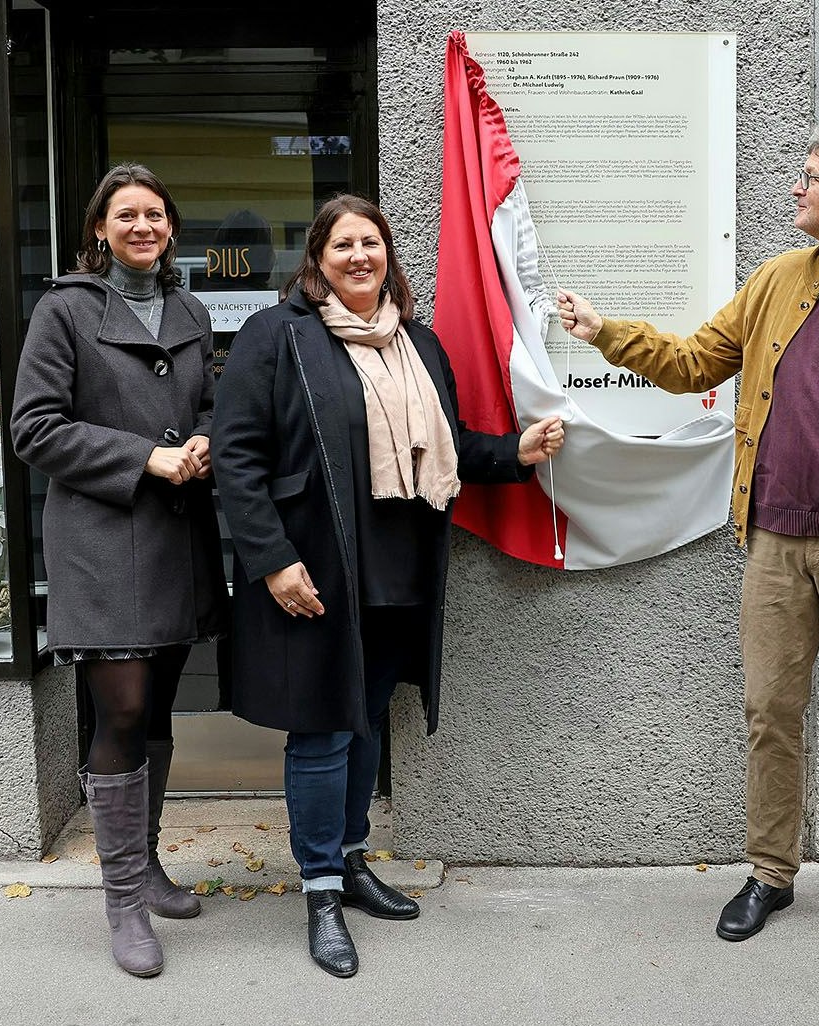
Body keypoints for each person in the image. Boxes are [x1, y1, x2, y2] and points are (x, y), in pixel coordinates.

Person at [557, 125, 819, 961]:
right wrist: (607, 331)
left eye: (808, 179)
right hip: (773, 539)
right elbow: (692, 362)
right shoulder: (777, 280)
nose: (795, 190)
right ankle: (769, 872)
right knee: (768, 714)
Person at [211, 194, 564, 979]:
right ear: (317, 258)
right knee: (321, 726)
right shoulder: (279, 336)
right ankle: (321, 892)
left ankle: (350, 859)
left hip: (398, 565)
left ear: (387, 253)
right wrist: (271, 559)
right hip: (317, 566)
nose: (359, 256)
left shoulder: (419, 343)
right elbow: (236, 456)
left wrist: (517, 452)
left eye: (371, 242)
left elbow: (450, 443)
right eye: (343, 245)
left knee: (366, 719)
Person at [11, 163, 229, 978]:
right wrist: (147, 457)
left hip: (176, 538)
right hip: (102, 540)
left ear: (170, 228)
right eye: (125, 215)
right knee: (124, 709)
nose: (142, 227)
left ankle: (150, 865)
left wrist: (204, 440)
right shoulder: (64, 309)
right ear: (99, 230)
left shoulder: (191, 308)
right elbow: (34, 428)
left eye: (156, 215)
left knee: (162, 704)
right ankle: (123, 903)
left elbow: (201, 404)